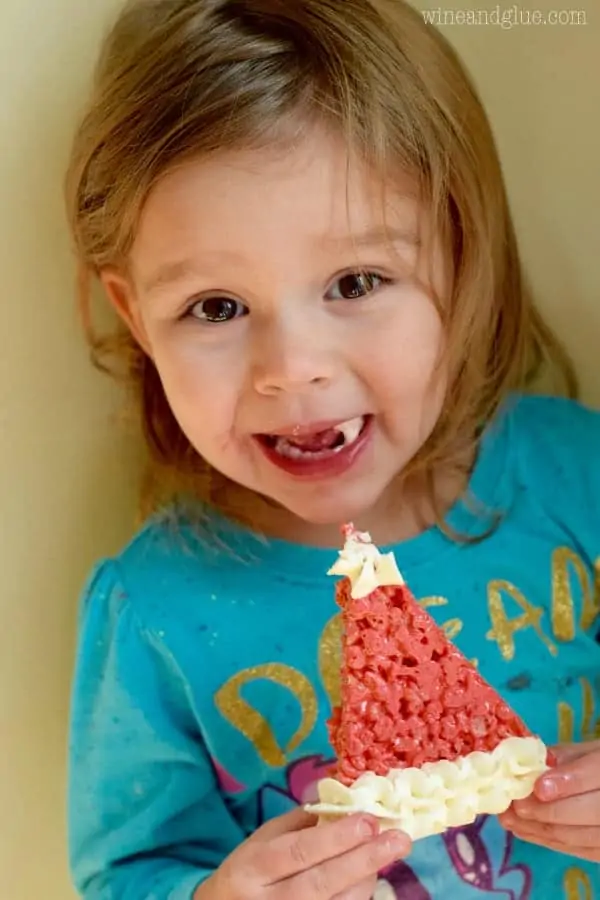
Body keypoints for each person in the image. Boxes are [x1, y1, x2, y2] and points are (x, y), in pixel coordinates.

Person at [64, 1, 600, 898]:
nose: (293, 369)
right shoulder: (147, 612)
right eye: (216, 307)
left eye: (356, 282)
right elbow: (127, 871)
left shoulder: (580, 475)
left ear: (462, 263)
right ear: (136, 318)